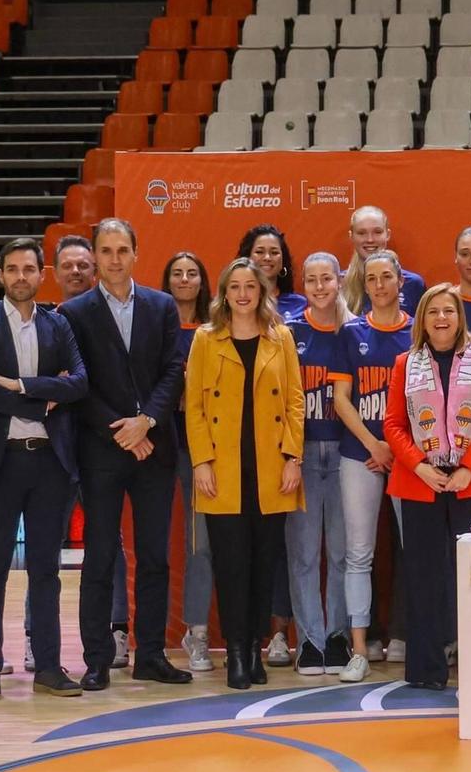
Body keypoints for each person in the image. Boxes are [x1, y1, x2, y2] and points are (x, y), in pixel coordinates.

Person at [60, 219, 193, 689]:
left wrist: (146, 423)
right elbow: (78, 381)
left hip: (154, 447)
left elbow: (173, 370)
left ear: (136, 253)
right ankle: (97, 658)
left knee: (155, 557)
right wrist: (120, 429)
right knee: (99, 557)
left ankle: (151, 655)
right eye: (107, 250)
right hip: (102, 449)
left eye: (123, 249)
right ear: (95, 256)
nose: (115, 259)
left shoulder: (161, 306)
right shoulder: (73, 312)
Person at [0, 238, 90, 703]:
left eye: (29, 269)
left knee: (45, 570)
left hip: (49, 463)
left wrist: (19, 386)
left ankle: (50, 668)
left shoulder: (59, 324)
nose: (21, 276)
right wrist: (44, 399)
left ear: (43, 274)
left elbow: (78, 384)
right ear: (1, 275)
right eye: (12, 269)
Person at [187, 257, 305, 689]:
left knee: (263, 563)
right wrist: (200, 461)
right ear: (223, 292)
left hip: (271, 468)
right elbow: (195, 408)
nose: (242, 294)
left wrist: (294, 457)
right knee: (231, 564)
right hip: (222, 471)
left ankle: (255, 647)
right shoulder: (206, 339)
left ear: (261, 292)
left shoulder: (282, 338)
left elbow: (295, 401)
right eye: (233, 286)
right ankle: (236, 651)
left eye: (249, 287)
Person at [381, 283, 471, 689]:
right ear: (422, 319)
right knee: (424, 577)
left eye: (448, 311)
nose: (441, 319)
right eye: (433, 312)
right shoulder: (404, 363)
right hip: (421, 484)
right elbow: (393, 424)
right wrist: (419, 465)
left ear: (460, 316)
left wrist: (469, 466)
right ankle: (427, 670)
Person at [22, 234, 126, 675]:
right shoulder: (44, 323)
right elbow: (43, 383)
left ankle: (117, 629)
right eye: (69, 265)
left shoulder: (112, 317)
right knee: (44, 547)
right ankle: (34, 637)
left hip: (102, 445)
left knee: (109, 543)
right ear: (55, 273)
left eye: (85, 264)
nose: (78, 271)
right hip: (56, 448)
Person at [331, 250, 413, 670]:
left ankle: (417, 638)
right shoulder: (351, 333)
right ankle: (360, 649)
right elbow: (341, 400)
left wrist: (396, 449)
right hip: (358, 454)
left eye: (387, 277)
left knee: (414, 548)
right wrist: (373, 444)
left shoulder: (418, 332)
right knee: (359, 553)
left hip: (409, 458)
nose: (380, 286)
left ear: (401, 281)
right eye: (372, 278)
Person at [285, 252, 352, 676]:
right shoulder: (289, 333)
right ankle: (309, 639)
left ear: (339, 280)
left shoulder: (354, 330)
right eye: (312, 280)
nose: (320, 286)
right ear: (304, 285)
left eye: (327, 278)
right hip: (304, 452)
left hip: (347, 452)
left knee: (344, 553)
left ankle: (337, 636)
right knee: (305, 553)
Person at [164, 250, 216, 671]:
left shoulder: (215, 330)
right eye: (177, 273)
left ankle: (196, 632)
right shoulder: (155, 325)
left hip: (204, 447)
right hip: (159, 442)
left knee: (200, 544)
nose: (184, 279)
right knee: (152, 543)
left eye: (192, 272)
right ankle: (130, 634)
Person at [342, 205, 427, 314]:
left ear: (388, 235)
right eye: (361, 233)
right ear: (351, 236)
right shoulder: (339, 284)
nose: (370, 239)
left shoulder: (413, 284)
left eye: (377, 232)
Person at [240, 224, 306, 321]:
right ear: (247, 258)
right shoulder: (236, 303)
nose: (267, 258)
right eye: (259, 252)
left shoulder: (301, 306)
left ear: (283, 260)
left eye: (274, 252)